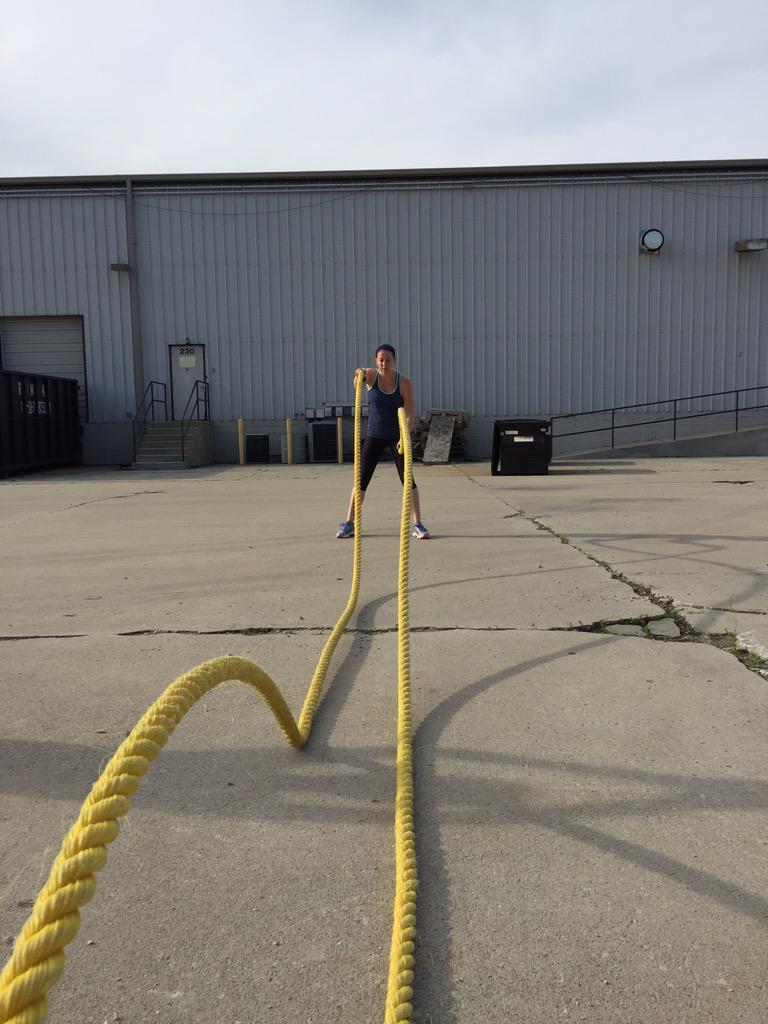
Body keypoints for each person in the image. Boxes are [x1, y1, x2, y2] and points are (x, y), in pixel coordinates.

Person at [336, 344, 430, 539]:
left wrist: (404, 437)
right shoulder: (371, 375)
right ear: (376, 361)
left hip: (397, 437)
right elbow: (357, 384)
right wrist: (358, 374)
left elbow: (409, 414)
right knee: (361, 480)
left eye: (388, 360)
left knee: (408, 480)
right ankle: (349, 523)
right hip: (375, 435)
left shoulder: (404, 382)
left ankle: (418, 524)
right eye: (381, 360)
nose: (384, 363)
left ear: (394, 361)